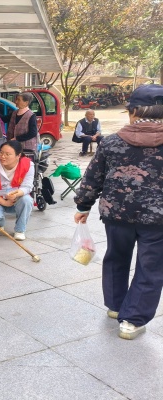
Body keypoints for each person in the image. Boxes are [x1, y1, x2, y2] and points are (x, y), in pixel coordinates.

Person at [74, 84, 163, 340]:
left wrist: (83, 206)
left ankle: (115, 306)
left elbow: (93, 176)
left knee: (116, 257)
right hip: (157, 219)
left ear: (134, 111)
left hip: (116, 214)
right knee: (151, 267)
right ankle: (132, 321)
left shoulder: (112, 142)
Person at [0, 140, 35, 241]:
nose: (3, 156)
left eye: (7, 154)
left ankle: (20, 230)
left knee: (27, 200)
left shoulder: (28, 164)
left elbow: (27, 186)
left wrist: (15, 194)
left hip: (15, 198)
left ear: (18, 155)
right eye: (1, 153)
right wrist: (4, 202)